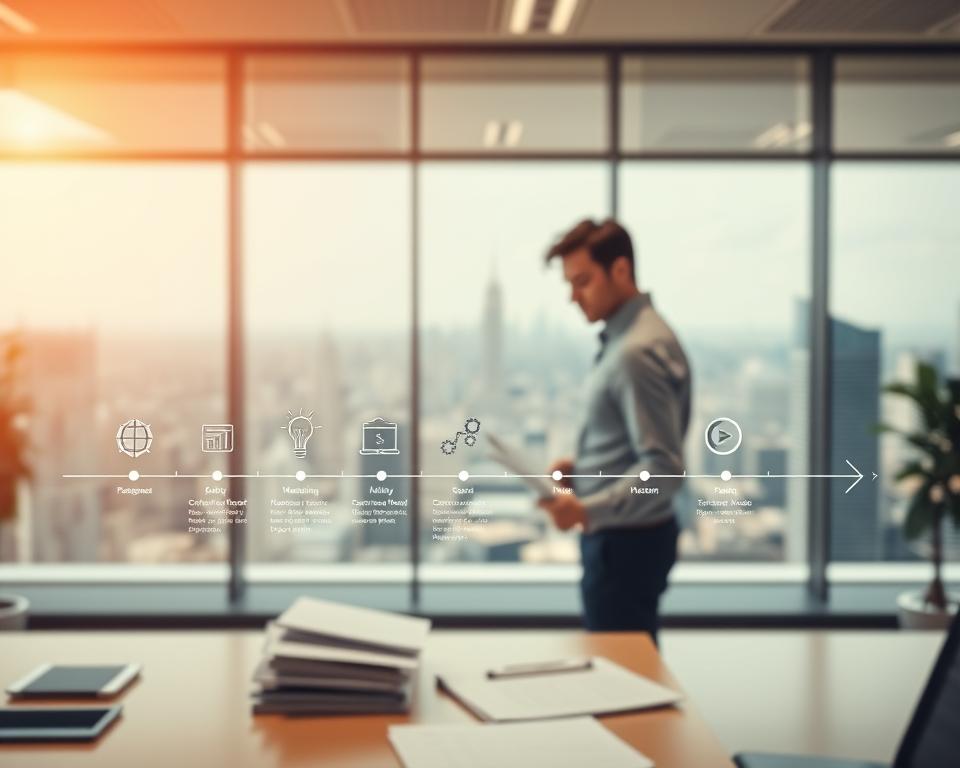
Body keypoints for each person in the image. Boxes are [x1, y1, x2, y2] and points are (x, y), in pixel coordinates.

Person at [538, 218, 690, 644]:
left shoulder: (634, 353)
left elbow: (662, 469)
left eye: (583, 281)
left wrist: (588, 509)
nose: (573, 297)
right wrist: (583, 468)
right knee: (626, 670)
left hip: (624, 545)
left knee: (624, 679)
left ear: (620, 270)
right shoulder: (633, 338)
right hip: (631, 539)